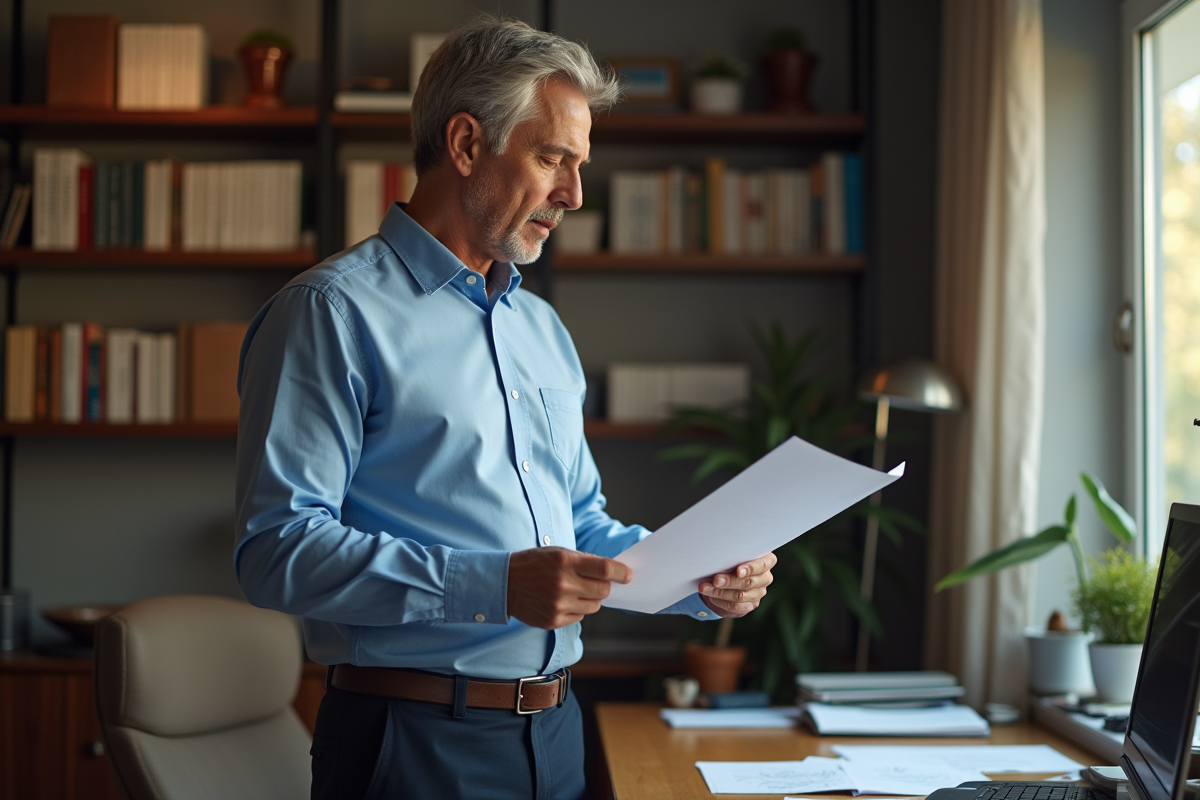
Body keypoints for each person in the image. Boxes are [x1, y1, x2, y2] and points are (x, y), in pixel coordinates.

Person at [234, 15, 777, 800]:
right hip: (411, 742)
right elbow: (275, 551)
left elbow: (580, 525)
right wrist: (491, 586)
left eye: (579, 165)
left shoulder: (541, 329)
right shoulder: (329, 312)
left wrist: (699, 578)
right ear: (465, 145)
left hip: (556, 734)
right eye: (553, 158)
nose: (575, 194)